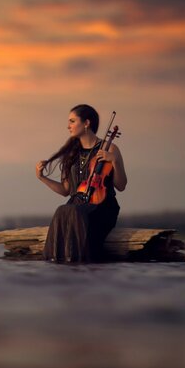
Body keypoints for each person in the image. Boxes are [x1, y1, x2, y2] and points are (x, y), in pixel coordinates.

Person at [35, 104, 127, 263]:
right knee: (62, 210)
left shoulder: (110, 148)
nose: (68, 126)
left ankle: (81, 261)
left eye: (72, 121)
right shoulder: (70, 154)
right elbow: (66, 190)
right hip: (77, 205)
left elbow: (121, 185)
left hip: (102, 207)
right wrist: (42, 178)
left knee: (75, 212)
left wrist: (115, 161)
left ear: (86, 123)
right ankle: (57, 261)